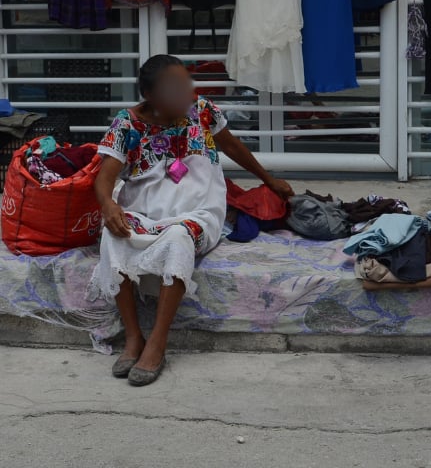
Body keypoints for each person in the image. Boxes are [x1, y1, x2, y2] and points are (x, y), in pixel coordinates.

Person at [88, 55, 294, 386]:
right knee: (111, 236)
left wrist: (268, 180)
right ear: (151, 97)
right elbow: (104, 177)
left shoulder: (202, 110)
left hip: (198, 210)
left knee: (179, 237)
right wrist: (108, 205)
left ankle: (157, 342)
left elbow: (233, 146)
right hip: (144, 209)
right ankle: (133, 337)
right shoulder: (127, 124)